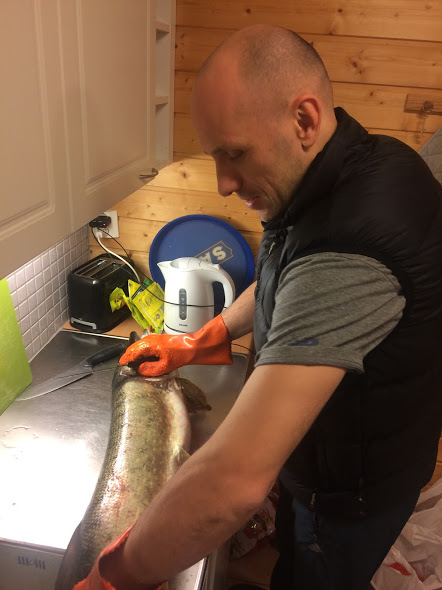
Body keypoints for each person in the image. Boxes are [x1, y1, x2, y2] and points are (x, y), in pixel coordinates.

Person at [75, 24, 442, 590]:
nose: (224, 183)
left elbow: (233, 482)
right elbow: (283, 279)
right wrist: (198, 341)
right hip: (336, 459)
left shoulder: (349, 247)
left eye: (234, 154)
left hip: (347, 495)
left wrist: (113, 575)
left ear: (304, 119)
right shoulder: (343, 170)